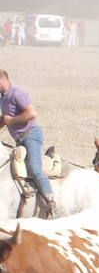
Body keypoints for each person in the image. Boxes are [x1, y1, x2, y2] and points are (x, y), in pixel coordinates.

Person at [0, 69, 53, 216]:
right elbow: (5, 119)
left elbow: (31, 113)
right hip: (19, 139)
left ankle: (50, 200)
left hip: (31, 135)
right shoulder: (2, 97)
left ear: (3, 80)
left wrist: (11, 120)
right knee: (14, 168)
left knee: (34, 167)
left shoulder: (17, 93)